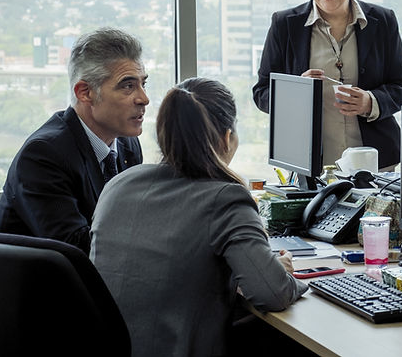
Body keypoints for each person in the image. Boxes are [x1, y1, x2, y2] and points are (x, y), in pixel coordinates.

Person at [90, 78, 307, 357]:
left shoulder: (118, 185)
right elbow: (272, 293)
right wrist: (281, 272)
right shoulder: (225, 198)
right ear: (226, 138)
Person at [253, 0, 402, 169]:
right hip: (308, 164)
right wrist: (296, 93)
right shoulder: (285, 24)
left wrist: (371, 102)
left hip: (377, 164)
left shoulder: (382, 21)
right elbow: (261, 92)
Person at [0, 27, 147, 253]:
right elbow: (76, 248)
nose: (144, 98)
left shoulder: (126, 144)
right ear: (85, 92)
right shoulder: (43, 155)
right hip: (38, 285)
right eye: (128, 86)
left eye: (143, 84)